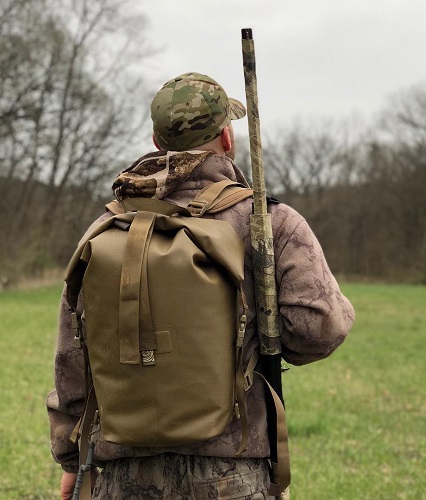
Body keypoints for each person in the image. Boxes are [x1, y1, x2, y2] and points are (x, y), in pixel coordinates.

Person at [47, 72, 355, 499]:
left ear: (157, 142)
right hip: (233, 472)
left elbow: (73, 359)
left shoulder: (106, 229)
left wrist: (70, 459)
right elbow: (319, 329)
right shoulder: (266, 221)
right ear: (227, 138)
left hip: (122, 474)